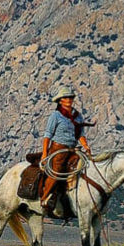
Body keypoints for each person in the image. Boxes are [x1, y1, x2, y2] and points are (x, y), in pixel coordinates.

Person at [39, 87, 91, 218]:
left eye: (71, 97)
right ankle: (45, 198)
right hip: (58, 149)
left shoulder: (77, 116)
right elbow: (47, 135)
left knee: (85, 167)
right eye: (66, 97)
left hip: (73, 149)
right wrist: (45, 154)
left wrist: (86, 146)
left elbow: (80, 134)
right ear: (60, 101)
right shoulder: (55, 116)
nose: (69, 100)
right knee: (57, 170)